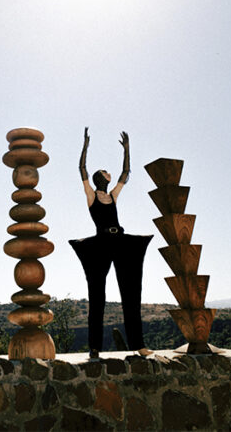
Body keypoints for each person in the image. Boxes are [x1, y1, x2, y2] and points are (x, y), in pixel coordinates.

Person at [69, 128, 153, 357]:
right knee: (97, 296)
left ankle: (138, 344)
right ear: (100, 178)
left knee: (131, 292)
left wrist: (127, 149)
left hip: (120, 241)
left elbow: (126, 173)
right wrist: (85, 146)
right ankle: (95, 347)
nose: (110, 174)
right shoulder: (92, 195)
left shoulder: (113, 196)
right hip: (100, 244)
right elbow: (82, 169)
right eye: (106, 172)